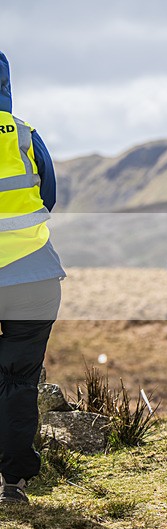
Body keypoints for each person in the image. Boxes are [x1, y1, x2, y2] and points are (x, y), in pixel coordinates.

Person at [0, 51, 65, 504]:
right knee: (20, 381)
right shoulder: (25, 133)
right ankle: (13, 483)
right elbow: (50, 195)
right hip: (33, 275)